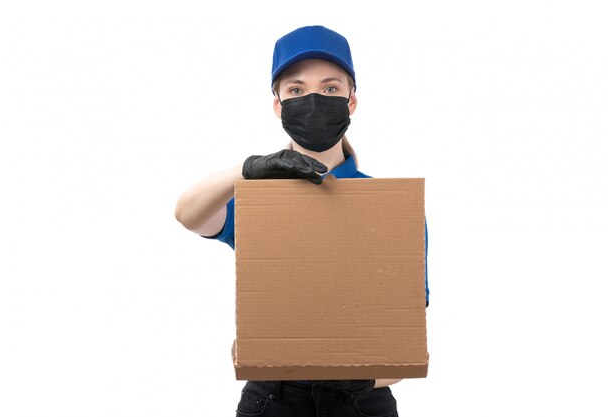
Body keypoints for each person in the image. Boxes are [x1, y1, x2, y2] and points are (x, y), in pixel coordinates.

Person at [175, 24, 429, 417]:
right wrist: (249, 169)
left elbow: (403, 339)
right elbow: (188, 214)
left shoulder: (390, 209)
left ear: (351, 101)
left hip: (361, 403)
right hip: (274, 400)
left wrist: (360, 378)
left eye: (330, 89)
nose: (313, 100)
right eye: (296, 90)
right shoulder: (259, 199)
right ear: (278, 104)